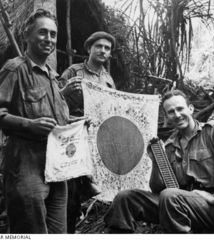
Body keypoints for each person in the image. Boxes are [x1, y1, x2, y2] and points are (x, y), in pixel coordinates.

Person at [0, 9, 77, 233]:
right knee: (30, 231)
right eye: (43, 32)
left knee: (57, 234)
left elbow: (56, 119)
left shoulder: (53, 77)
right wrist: (29, 125)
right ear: (27, 36)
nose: (49, 39)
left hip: (57, 167)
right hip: (26, 166)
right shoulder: (15, 68)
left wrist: (76, 121)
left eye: (53, 34)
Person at [104, 89, 214, 233]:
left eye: (180, 109)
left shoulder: (213, 132)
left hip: (209, 208)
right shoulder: (169, 145)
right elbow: (157, 190)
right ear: (167, 117)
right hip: (175, 203)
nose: (177, 115)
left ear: (191, 109)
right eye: (171, 112)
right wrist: (156, 162)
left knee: (170, 196)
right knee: (125, 198)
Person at [58, 31, 117, 233]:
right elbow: (54, 102)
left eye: (107, 48)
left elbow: (113, 110)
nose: (102, 50)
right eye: (98, 46)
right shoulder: (73, 72)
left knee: (96, 188)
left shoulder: (108, 80)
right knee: (70, 191)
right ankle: (65, 231)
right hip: (74, 138)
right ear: (89, 49)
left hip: (99, 140)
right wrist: (64, 92)